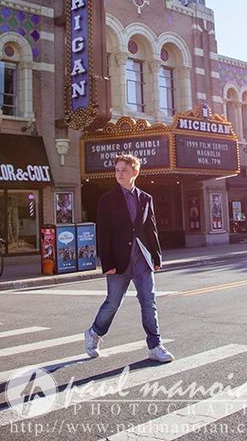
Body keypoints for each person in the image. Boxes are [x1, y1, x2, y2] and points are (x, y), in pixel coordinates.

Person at [84, 153, 174, 363]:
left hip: (142, 258)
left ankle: (155, 345)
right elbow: (104, 233)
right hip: (118, 260)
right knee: (113, 302)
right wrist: (107, 263)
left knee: (148, 301)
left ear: (135, 172)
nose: (119, 174)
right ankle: (94, 332)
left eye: (124, 170)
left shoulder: (145, 198)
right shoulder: (108, 199)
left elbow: (151, 230)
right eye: (117, 170)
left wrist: (157, 256)